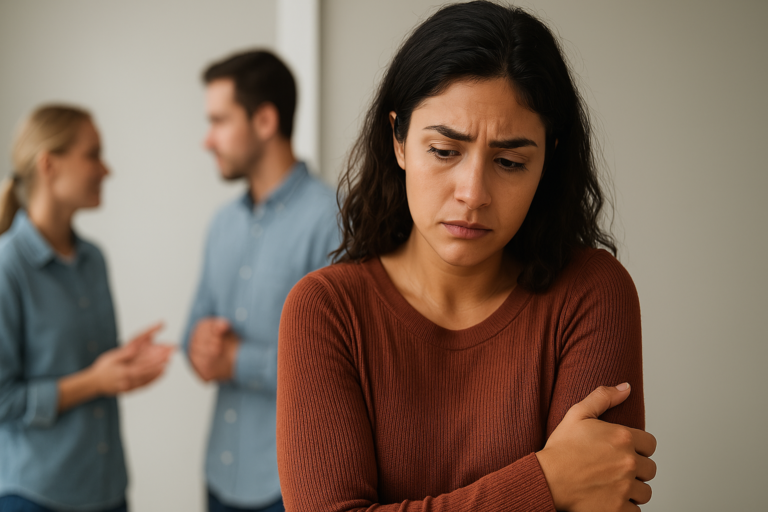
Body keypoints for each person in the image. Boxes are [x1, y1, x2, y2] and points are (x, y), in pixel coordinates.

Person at [276, 2, 657, 511]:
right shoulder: (326, 311)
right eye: (444, 151)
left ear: (548, 159)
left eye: (509, 161)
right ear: (400, 140)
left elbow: (602, 497)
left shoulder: (590, 292)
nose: (473, 193)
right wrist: (546, 483)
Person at [183, 50, 339, 512]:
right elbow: (192, 332)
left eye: (218, 121)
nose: (207, 140)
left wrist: (237, 361)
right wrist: (198, 345)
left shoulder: (333, 220)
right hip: (218, 477)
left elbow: (338, 367)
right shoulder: (221, 224)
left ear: (266, 120)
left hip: (289, 488)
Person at [0, 105, 174, 512]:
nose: (105, 170)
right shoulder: (8, 267)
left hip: (107, 489)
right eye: (93, 154)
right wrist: (95, 382)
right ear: (49, 164)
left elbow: (90, 365)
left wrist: (122, 364)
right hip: (36, 496)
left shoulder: (93, 259)